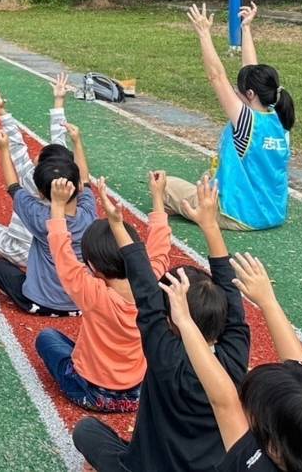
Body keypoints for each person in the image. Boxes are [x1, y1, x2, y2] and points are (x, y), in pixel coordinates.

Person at [72, 177, 251, 472]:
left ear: (172, 320)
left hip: (144, 467)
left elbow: (145, 289)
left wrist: (117, 225)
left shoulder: (168, 360)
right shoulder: (234, 356)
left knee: (86, 431)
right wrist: (210, 225)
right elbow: (229, 296)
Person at [161, 254, 302, 472]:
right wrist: (268, 302)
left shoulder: (253, 464)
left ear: (274, 449)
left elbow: (223, 400)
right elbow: (301, 371)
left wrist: (183, 321)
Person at [35, 173, 172, 413]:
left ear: (93, 267)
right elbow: (160, 245)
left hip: (89, 391)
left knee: (47, 338)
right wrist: (158, 196)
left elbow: (62, 255)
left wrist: (57, 206)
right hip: (136, 393)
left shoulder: (93, 292)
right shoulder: (151, 283)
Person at [165, 3, 294, 231]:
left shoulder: (246, 121)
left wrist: (204, 33)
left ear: (250, 94)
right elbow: (251, 71)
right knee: (207, 177)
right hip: (273, 214)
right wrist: (246, 29)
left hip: (237, 214)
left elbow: (216, 76)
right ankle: (194, 206)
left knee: (163, 185)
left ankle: (191, 212)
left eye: (239, 89)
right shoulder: (280, 118)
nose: (235, 91)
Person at [0, 123, 96, 317]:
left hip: (39, 302)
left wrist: (3, 149)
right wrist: (77, 142)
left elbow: (13, 186)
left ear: (41, 194)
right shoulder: (88, 213)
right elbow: (86, 179)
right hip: (82, 302)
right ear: (77, 187)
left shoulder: (39, 216)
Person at [0, 75, 72, 267]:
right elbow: (60, 141)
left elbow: (17, 146)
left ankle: (8, 255)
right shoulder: (69, 183)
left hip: (25, 251)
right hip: (57, 252)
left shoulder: (30, 179)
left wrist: (2, 112)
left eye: (40, 155)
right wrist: (59, 101)